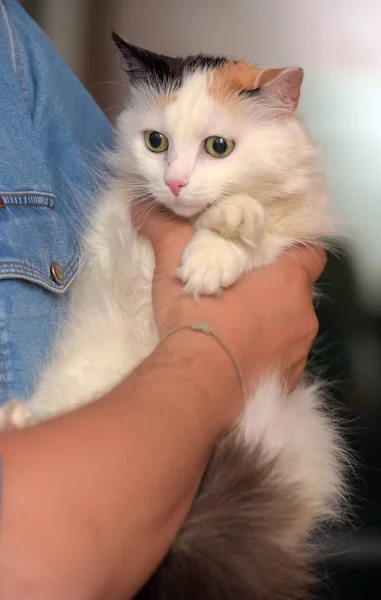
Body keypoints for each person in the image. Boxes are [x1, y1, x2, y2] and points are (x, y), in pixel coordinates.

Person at [0, 1, 326, 599]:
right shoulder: (123, 207)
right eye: (156, 141)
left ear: (284, 112)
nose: (176, 177)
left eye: (218, 148)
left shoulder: (18, 47)